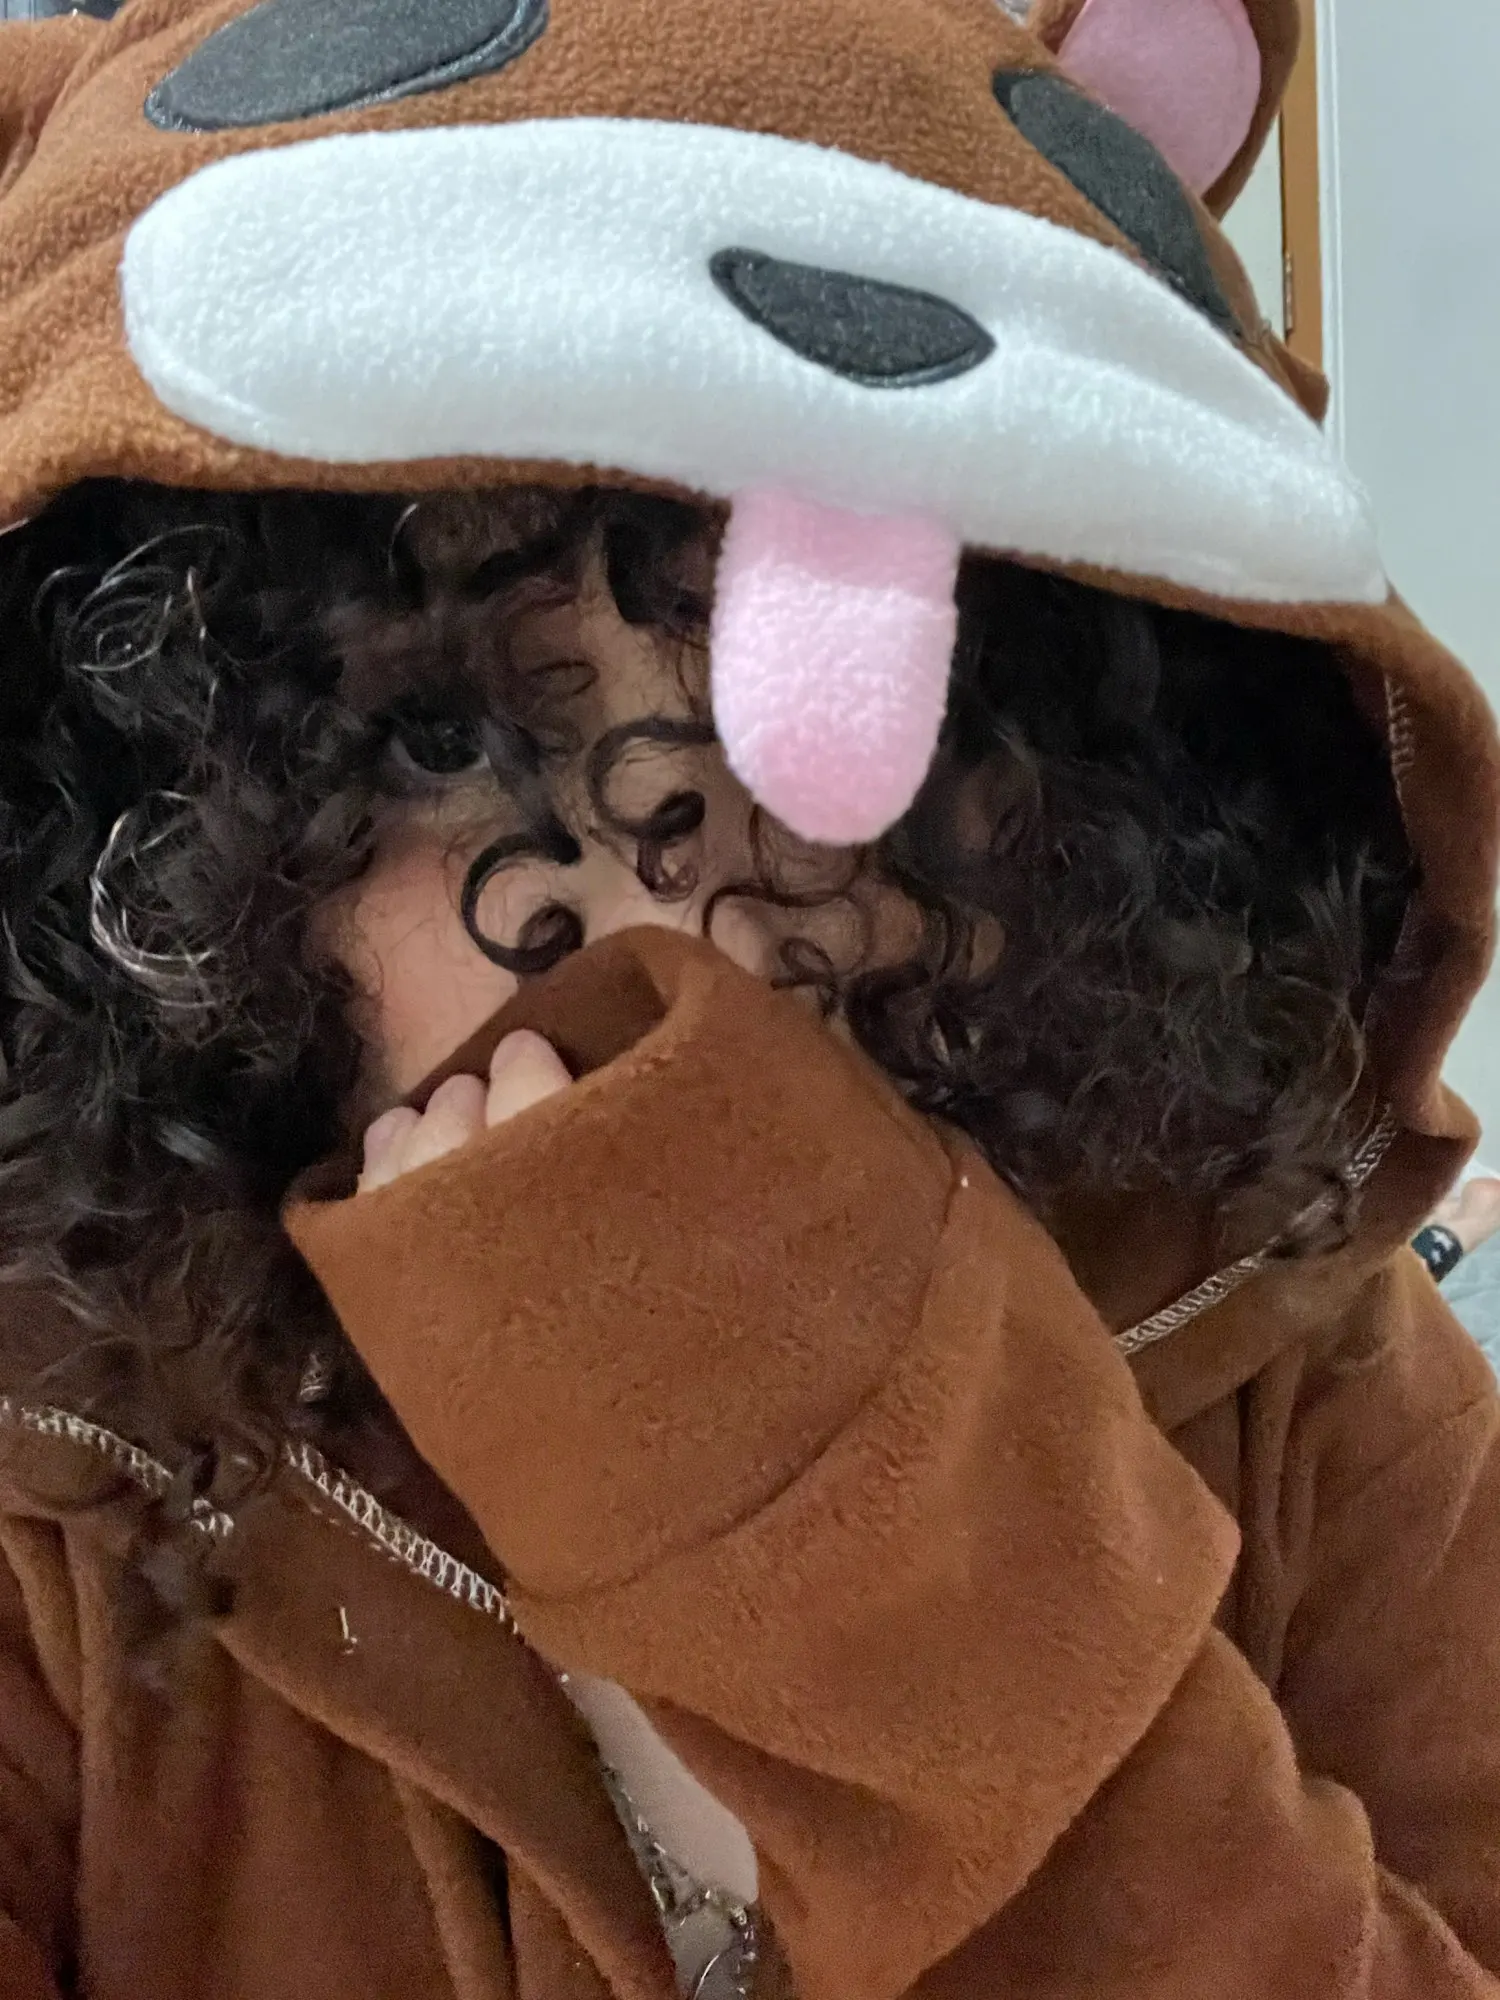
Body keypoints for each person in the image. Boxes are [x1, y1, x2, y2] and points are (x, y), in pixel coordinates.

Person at [2, 0, 1500, 1997]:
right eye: (451, 745)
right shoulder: (54, 1463)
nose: (687, 932)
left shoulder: (1315, 1367)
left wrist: (873, 1563)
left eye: (858, 758)